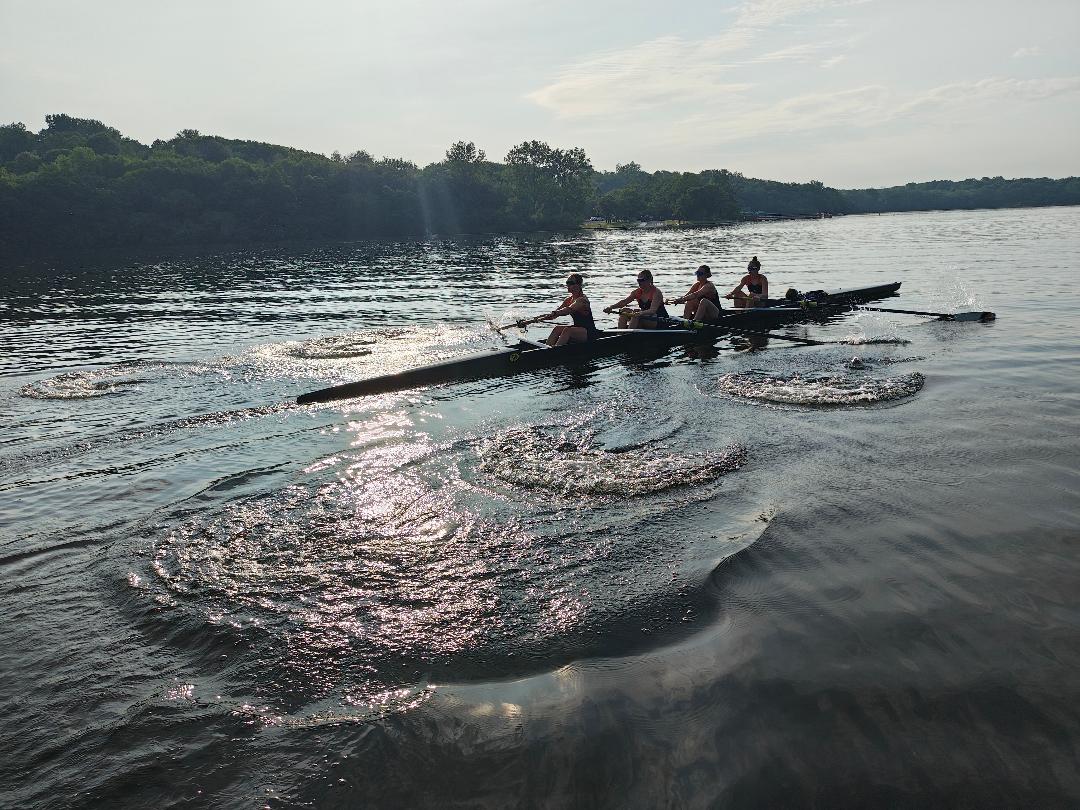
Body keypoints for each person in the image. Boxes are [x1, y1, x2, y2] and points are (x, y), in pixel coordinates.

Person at [534, 273, 601, 346]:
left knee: (567, 330)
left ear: (578, 285)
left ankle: (555, 350)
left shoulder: (582, 300)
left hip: (589, 332)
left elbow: (568, 310)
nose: (568, 285)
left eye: (571, 283)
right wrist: (538, 318)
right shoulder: (568, 300)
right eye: (567, 283)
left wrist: (555, 313)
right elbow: (555, 314)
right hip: (577, 330)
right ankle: (546, 348)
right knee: (557, 329)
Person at [604, 270, 668, 328]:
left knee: (636, 314)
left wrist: (640, 313)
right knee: (624, 312)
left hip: (659, 320)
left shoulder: (656, 292)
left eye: (642, 280)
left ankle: (628, 335)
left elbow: (652, 311)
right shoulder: (637, 292)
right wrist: (611, 307)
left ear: (649, 280)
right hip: (645, 317)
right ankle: (619, 334)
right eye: (638, 280)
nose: (639, 282)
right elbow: (624, 302)